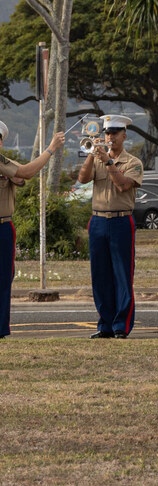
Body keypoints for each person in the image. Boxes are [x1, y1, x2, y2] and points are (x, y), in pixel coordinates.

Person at [78, 114, 143, 338]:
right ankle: (105, 324)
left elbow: (123, 185)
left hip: (121, 220)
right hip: (98, 220)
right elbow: (82, 179)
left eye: (114, 133)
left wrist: (107, 161)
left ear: (124, 135)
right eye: (107, 133)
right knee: (100, 275)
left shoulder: (133, 162)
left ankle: (121, 325)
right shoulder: (97, 158)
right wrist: (91, 154)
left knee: (122, 274)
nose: (110, 137)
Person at [0, 123, 64, 339]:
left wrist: (14, 176)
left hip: (4, 225)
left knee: (4, 277)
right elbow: (26, 172)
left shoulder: (4, 162)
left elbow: (20, 176)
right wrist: (51, 149)